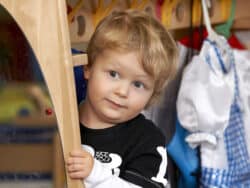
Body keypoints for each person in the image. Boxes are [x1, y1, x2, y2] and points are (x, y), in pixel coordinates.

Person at [66, 9, 178, 188]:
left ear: (152, 95)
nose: (123, 91)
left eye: (138, 85)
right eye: (113, 74)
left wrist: (95, 173)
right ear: (88, 67)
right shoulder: (62, 120)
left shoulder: (148, 141)